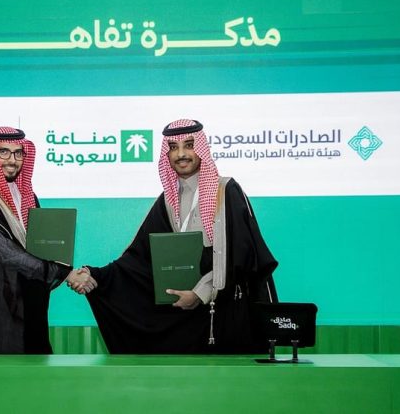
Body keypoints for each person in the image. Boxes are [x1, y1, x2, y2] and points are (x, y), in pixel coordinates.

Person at [81, 119, 278, 354]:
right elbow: (138, 258)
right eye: (173, 147)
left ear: (202, 148)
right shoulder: (167, 199)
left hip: (224, 310)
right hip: (186, 310)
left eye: (189, 145)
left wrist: (200, 293)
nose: (181, 154)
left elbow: (242, 256)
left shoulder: (226, 191)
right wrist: (96, 275)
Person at [0, 126, 95, 354]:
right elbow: (6, 252)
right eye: (4, 152)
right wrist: (64, 272)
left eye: (18, 153)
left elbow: (37, 245)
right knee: (0, 371)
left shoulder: (26, 194)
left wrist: (57, 261)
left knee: (35, 371)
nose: (12, 160)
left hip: (28, 305)